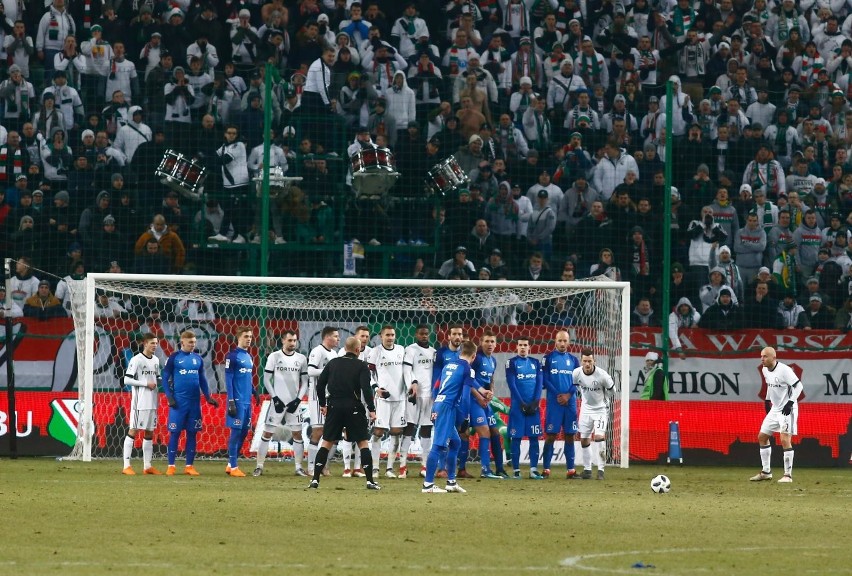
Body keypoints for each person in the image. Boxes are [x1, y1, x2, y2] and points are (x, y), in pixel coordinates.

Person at [309, 336, 380, 491]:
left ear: (345, 348)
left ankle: (315, 479)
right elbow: (366, 388)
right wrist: (371, 409)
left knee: (326, 442)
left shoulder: (333, 363)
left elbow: (320, 385)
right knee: (362, 443)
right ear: (357, 349)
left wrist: (323, 404)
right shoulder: (362, 366)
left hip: (334, 406)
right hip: (354, 407)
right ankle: (370, 481)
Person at [422, 340, 492, 494]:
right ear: (473, 356)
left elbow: (436, 387)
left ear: (461, 353)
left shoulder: (449, 365)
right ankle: (428, 485)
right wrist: (465, 418)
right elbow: (466, 397)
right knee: (439, 445)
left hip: (439, 404)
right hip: (447, 407)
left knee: (455, 443)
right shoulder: (468, 369)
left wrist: (481, 390)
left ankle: (451, 482)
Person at [162, 330, 219, 476]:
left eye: (194, 342)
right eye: (190, 342)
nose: (193, 345)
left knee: (192, 433)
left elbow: (203, 379)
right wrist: (169, 396)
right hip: (178, 403)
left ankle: (189, 466)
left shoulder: (198, 359)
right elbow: (165, 377)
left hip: (194, 403)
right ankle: (171, 466)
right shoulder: (174, 358)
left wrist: (207, 396)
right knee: (175, 433)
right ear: (182, 342)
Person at [254, 330, 308, 477]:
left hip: (294, 403)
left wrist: (298, 400)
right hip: (277, 402)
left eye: (295, 340)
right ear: (283, 341)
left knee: (297, 434)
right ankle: (259, 466)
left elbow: (305, 383)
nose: (293, 343)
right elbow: (266, 380)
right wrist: (275, 398)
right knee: (267, 433)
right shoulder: (274, 356)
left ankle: (298, 467)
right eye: (290, 340)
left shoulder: (301, 358)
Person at [751, 347, 803, 484]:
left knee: (785, 439)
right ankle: (766, 472)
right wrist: (767, 400)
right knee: (762, 437)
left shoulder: (785, 370)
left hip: (788, 408)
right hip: (775, 409)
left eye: (765, 356)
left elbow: (799, 387)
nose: (762, 359)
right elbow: (770, 385)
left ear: (774, 358)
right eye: (761, 356)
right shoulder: (764, 369)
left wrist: (790, 403)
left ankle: (788, 475)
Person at [458, 330, 503, 480]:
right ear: (481, 343)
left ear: (496, 344)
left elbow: (490, 379)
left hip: (484, 401)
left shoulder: (493, 361)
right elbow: (468, 380)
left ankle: (499, 469)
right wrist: (479, 397)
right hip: (473, 400)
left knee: (494, 432)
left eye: (492, 342)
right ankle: (482, 470)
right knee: (479, 433)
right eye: (486, 341)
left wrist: (491, 393)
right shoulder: (476, 359)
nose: (489, 344)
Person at [367, 325, 406, 479]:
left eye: (392, 335)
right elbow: (368, 373)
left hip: (400, 398)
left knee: (396, 432)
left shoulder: (401, 350)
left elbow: (407, 372)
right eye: (387, 335)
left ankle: (390, 468)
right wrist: (376, 388)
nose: (390, 337)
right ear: (381, 336)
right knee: (378, 432)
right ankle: (375, 468)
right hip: (382, 398)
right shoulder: (375, 352)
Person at [121, 333, 162, 475]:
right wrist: (145, 383)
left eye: (156, 343)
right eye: (152, 343)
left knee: (150, 432)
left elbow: (157, 377)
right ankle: (126, 466)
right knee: (133, 430)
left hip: (153, 402)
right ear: (144, 344)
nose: (155, 346)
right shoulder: (136, 360)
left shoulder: (156, 360)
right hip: (140, 403)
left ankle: (147, 466)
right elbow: (127, 380)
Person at [542, 329, 580, 478]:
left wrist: (568, 395)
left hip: (570, 403)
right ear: (555, 342)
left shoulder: (574, 360)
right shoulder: (548, 358)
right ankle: (546, 470)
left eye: (565, 341)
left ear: (569, 342)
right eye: (560, 341)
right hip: (555, 402)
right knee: (551, 435)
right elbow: (545, 379)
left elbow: (577, 381)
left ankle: (571, 470)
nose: (562, 343)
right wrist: (559, 395)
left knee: (570, 435)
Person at [573, 348, 616, 480]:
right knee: (584, 439)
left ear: (594, 361)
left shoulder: (602, 375)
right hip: (586, 410)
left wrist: (604, 401)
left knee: (598, 437)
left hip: (600, 410)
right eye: (585, 361)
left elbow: (612, 390)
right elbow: (577, 388)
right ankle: (587, 470)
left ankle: (601, 470)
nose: (587, 364)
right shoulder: (576, 373)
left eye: (589, 361)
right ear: (581, 361)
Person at [506, 336, 544, 480]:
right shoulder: (511, 363)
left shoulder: (536, 363)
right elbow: (512, 384)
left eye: (525, 345)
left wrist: (535, 402)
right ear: (516, 347)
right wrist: (521, 403)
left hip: (533, 407)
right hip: (518, 407)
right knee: (516, 438)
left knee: (534, 438)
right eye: (520, 345)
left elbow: (539, 383)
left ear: (529, 347)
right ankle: (516, 471)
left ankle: (533, 470)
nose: (523, 347)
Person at [224, 326, 260, 477]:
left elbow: (247, 377)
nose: (249, 339)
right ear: (238, 337)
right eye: (246, 336)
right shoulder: (232, 356)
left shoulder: (248, 357)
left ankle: (229, 464)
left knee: (244, 432)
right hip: (237, 400)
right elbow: (229, 379)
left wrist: (254, 391)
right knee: (236, 432)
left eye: (250, 336)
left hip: (247, 401)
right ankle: (234, 467)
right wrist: (231, 400)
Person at [401, 324, 435, 479]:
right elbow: (406, 370)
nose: (424, 336)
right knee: (409, 427)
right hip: (414, 394)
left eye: (426, 334)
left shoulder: (434, 351)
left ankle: (425, 465)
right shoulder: (410, 349)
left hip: (430, 396)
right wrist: (412, 383)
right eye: (421, 334)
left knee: (427, 429)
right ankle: (402, 466)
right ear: (416, 334)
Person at [306, 326, 340, 475]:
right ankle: (311, 467)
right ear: (327, 337)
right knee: (318, 431)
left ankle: (324, 466)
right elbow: (310, 371)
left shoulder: (334, 353)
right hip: (317, 397)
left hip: (331, 396)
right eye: (335, 336)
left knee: (332, 433)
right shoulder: (317, 351)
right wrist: (329, 371)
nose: (338, 339)